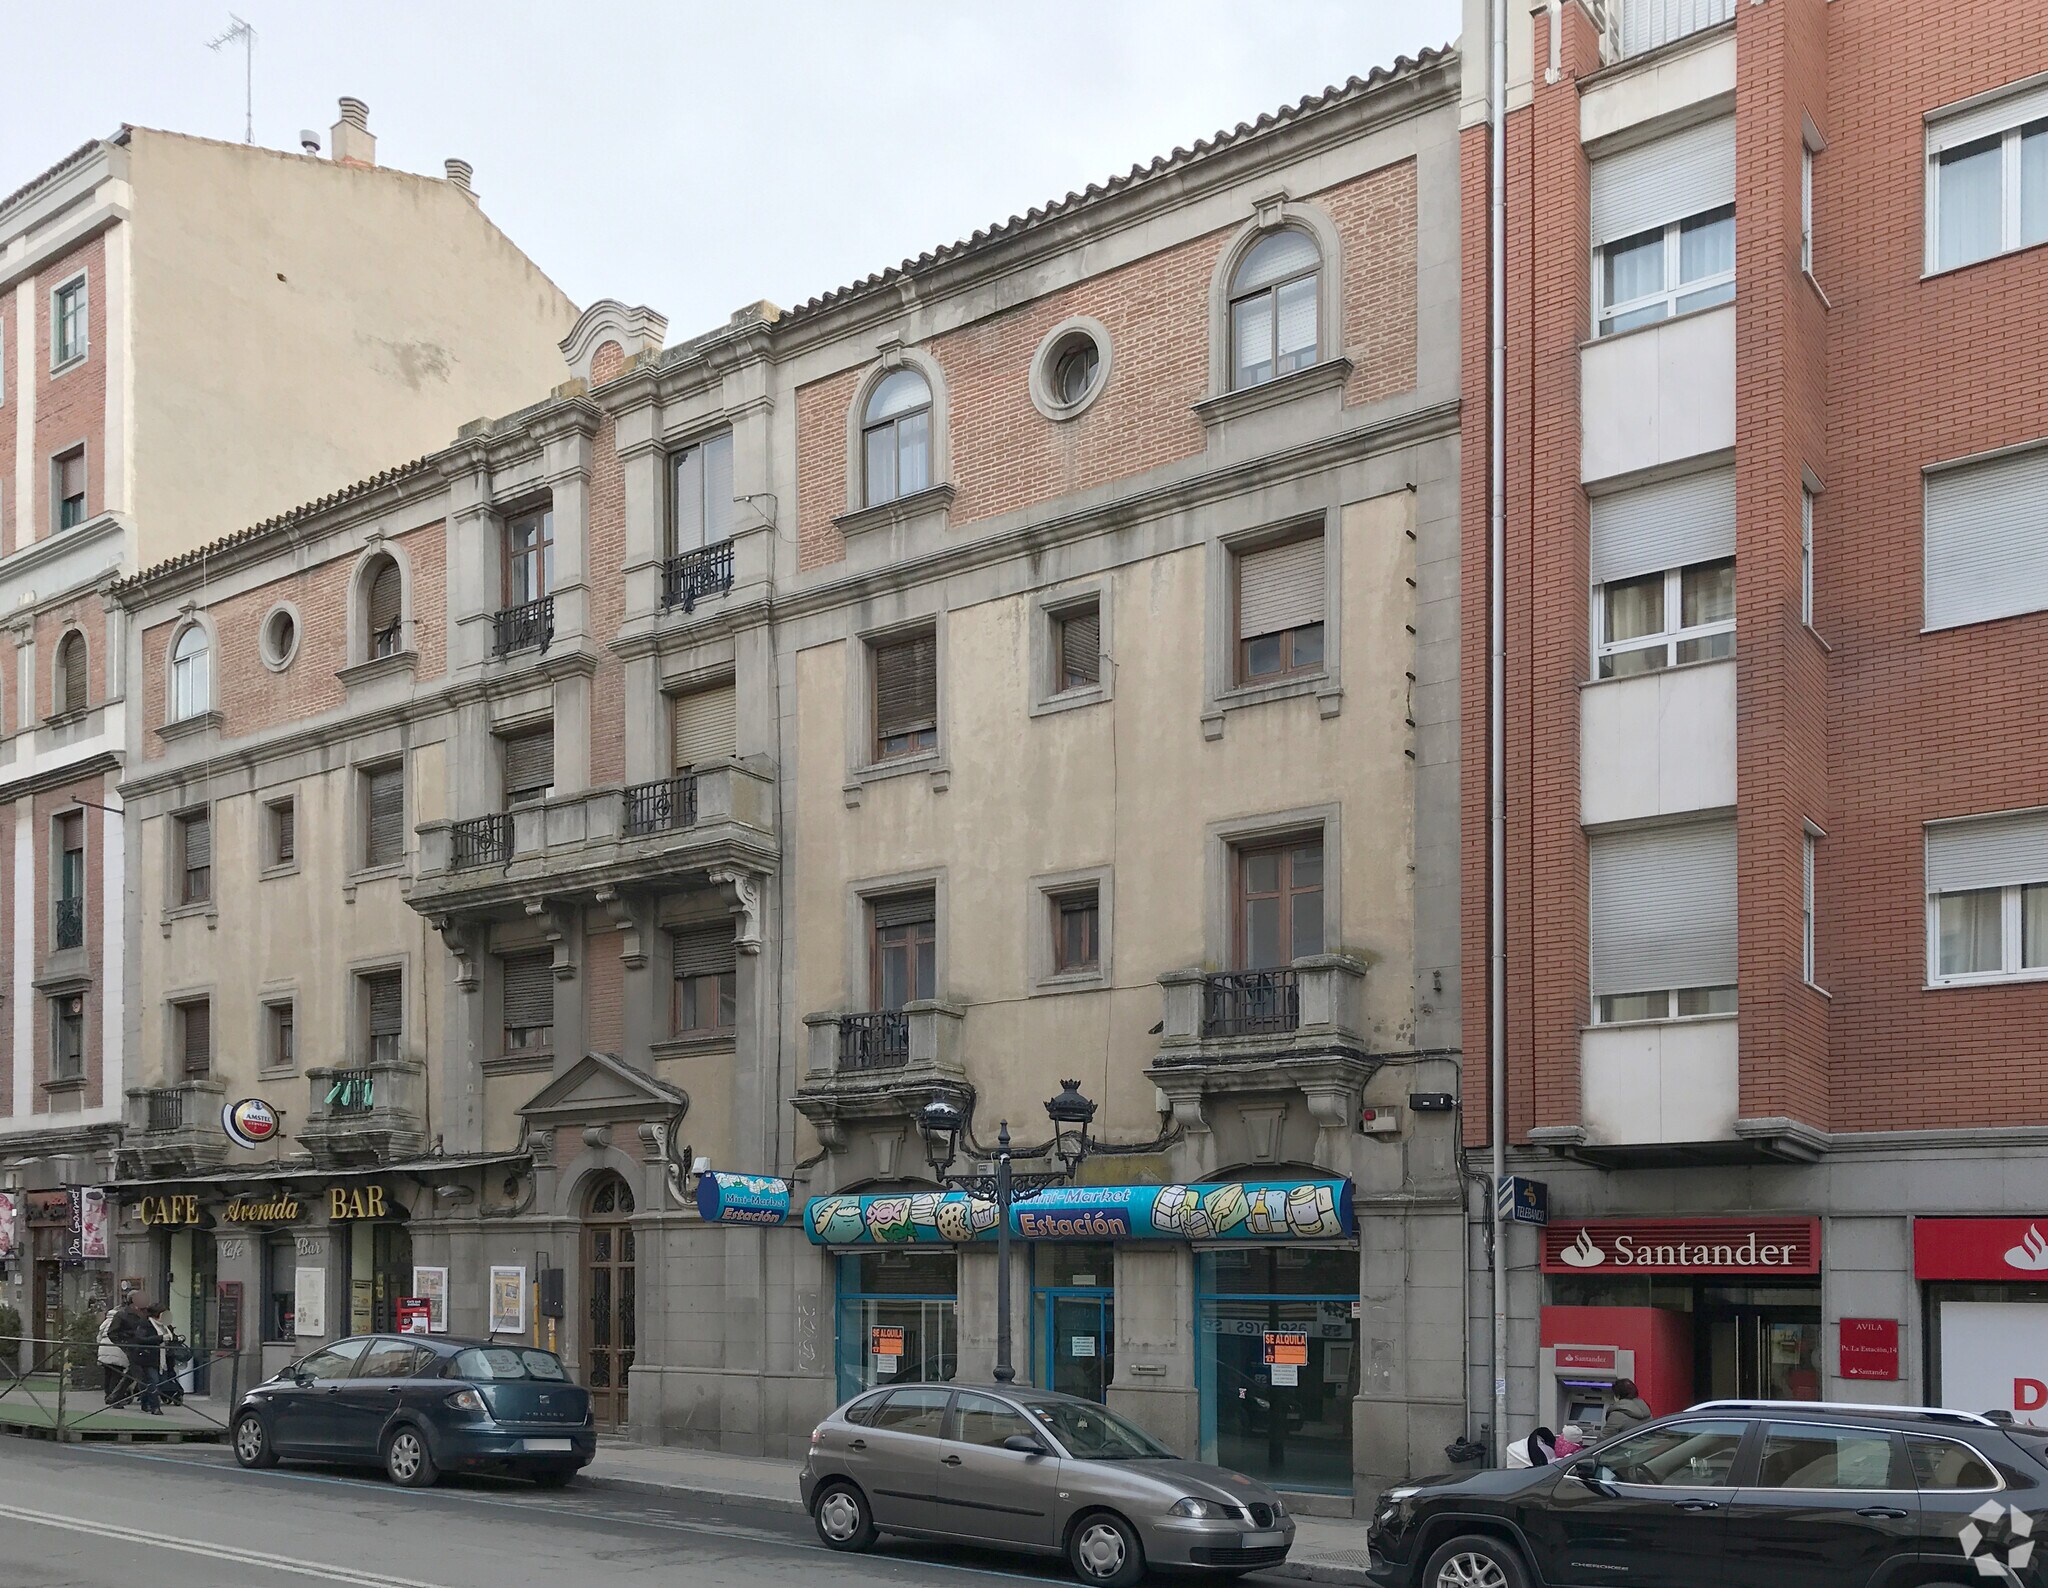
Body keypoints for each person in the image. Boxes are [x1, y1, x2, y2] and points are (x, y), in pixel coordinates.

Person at [109, 1295, 162, 1415]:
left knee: (133, 1375)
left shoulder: (146, 1314)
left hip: (146, 1351)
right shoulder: (122, 1314)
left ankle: (114, 1397)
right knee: (140, 1376)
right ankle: (149, 1404)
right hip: (133, 1349)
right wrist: (125, 1345)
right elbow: (113, 1333)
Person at [96, 1301, 129, 1403]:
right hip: (117, 1350)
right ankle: (113, 1397)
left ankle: (107, 1395)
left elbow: (99, 1337)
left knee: (108, 1374)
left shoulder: (106, 1321)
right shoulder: (122, 1320)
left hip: (104, 1349)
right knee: (116, 1374)